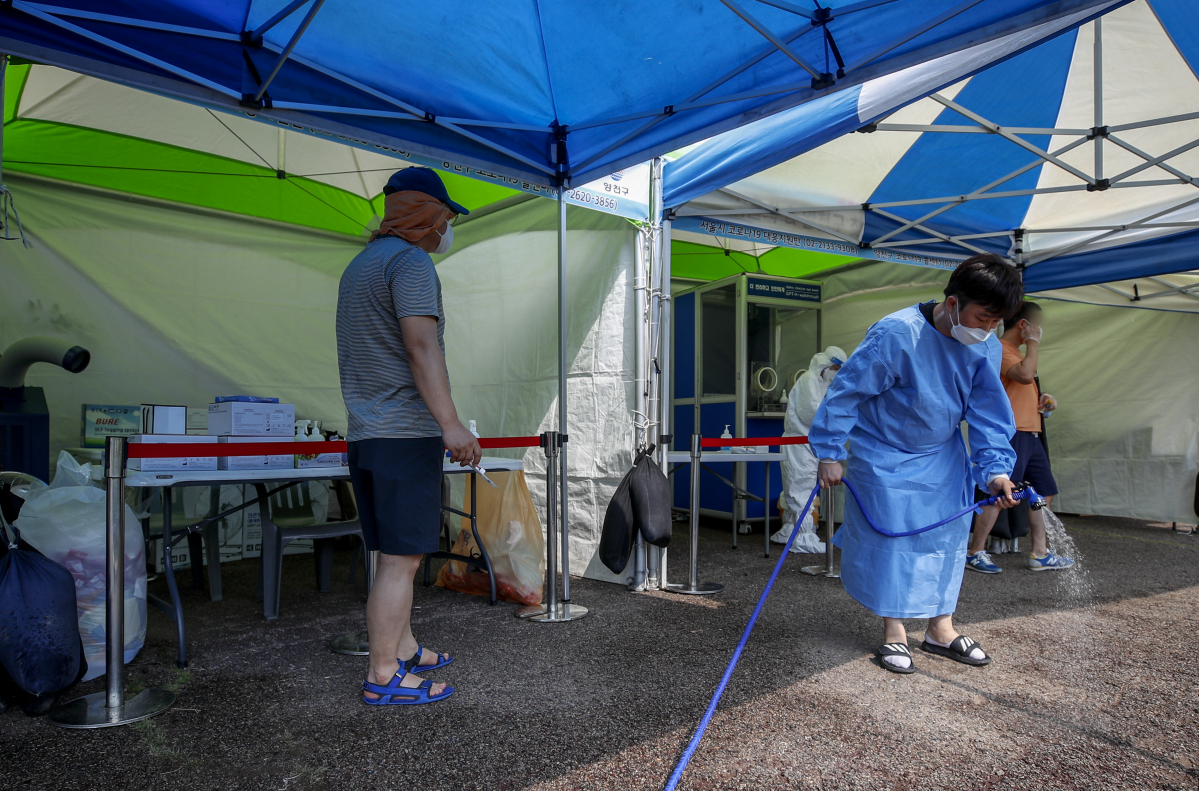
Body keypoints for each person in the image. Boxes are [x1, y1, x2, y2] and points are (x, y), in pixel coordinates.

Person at [809, 253, 1022, 675]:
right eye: (982, 318)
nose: (987, 330)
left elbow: (988, 413)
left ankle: (940, 628)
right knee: (893, 541)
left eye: (996, 323)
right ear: (953, 303)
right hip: (884, 452)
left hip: (942, 456)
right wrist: (830, 452)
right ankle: (895, 630)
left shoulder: (986, 345)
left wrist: (996, 470)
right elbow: (847, 391)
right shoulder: (896, 333)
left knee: (945, 539)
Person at [336, 167, 481, 705]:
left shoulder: (361, 265)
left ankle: (404, 647)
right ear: (430, 214)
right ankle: (383, 675)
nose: (448, 227)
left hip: (367, 433)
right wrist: (451, 424)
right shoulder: (411, 262)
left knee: (390, 552)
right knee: (403, 560)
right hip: (403, 433)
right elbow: (421, 346)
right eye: (447, 216)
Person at [966, 301, 1073, 573]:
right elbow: (1024, 376)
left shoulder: (1017, 353)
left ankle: (1040, 552)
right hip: (1012, 434)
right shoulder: (1001, 348)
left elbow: (1021, 386)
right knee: (999, 491)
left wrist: (1044, 400)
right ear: (1024, 325)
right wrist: (1033, 342)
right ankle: (975, 551)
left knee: (1043, 490)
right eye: (1036, 325)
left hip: (1032, 434)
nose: (1040, 330)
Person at [772, 346, 847, 553]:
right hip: (799, 443)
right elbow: (811, 414)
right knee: (800, 487)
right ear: (826, 365)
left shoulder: (821, 382)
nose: (835, 373)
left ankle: (791, 529)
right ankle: (803, 538)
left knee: (798, 486)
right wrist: (837, 420)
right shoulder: (809, 379)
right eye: (835, 369)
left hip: (808, 443)